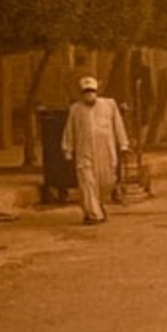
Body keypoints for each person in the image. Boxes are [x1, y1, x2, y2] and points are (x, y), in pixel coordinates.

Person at [62, 76, 130, 225]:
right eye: (86, 91)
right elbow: (69, 131)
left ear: (96, 91)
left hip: (106, 150)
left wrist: (123, 145)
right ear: (81, 93)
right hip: (84, 152)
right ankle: (94, 215)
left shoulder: (109, 105)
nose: (89, 94)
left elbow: (118, 126)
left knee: (106, 181)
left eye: (91, 91)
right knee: (87, 181)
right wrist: (68, 149)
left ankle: (97, 206)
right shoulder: (75, 109)